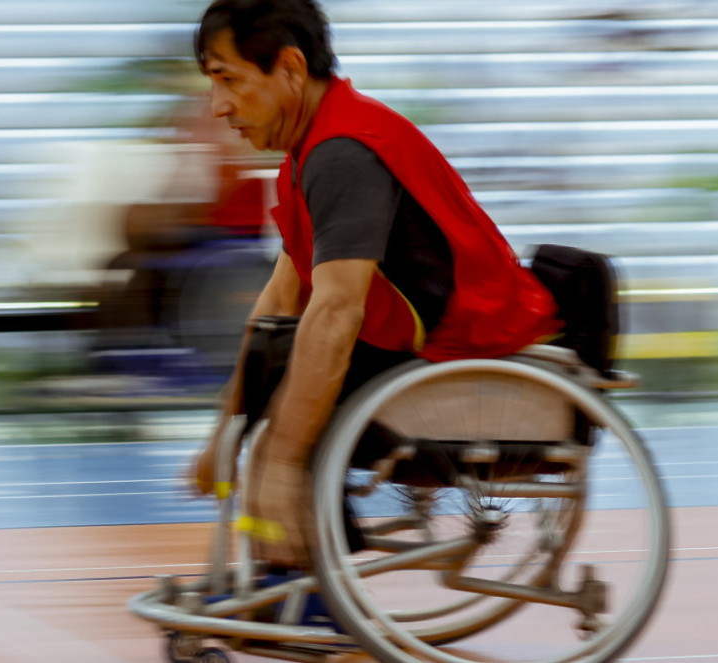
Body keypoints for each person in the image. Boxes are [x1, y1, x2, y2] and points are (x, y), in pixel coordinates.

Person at [188, 0, 560, 569]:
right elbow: (280, 301)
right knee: (276, 364)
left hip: (474, 350)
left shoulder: (343, 154)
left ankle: (308, 587)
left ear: (289, 68)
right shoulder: (307, 156)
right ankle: (293, 579)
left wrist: (283, 459)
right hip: (431, 348)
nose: (218, 107)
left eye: (228, 80)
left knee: (291, 395)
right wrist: (224, 429)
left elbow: (337, 313)